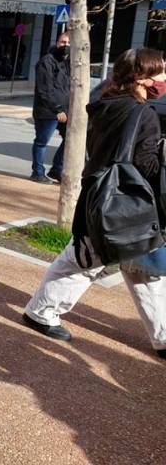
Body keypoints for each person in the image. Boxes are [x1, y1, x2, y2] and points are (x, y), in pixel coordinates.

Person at [23, 48, 166, 360]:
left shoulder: (107, 102)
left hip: (101, 196)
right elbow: (147, 166)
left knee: (142, 267)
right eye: (159, 73)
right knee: (83, 261)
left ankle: (163, 336)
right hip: (125, 204)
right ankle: (40, 312)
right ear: (141, 78)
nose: (164, 79)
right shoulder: (145, 115)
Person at [31, 33, 70, 184]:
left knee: (69, 140)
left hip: (64, 111)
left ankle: (56, 170)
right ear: (56, 42)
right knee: (42, 141)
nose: (65, 45)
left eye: (68, 42)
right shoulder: (46, 61)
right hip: (48, 111)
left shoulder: (66, 63)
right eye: (62, 42)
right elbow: (44, 90)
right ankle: (37, 172)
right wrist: (58, 109)